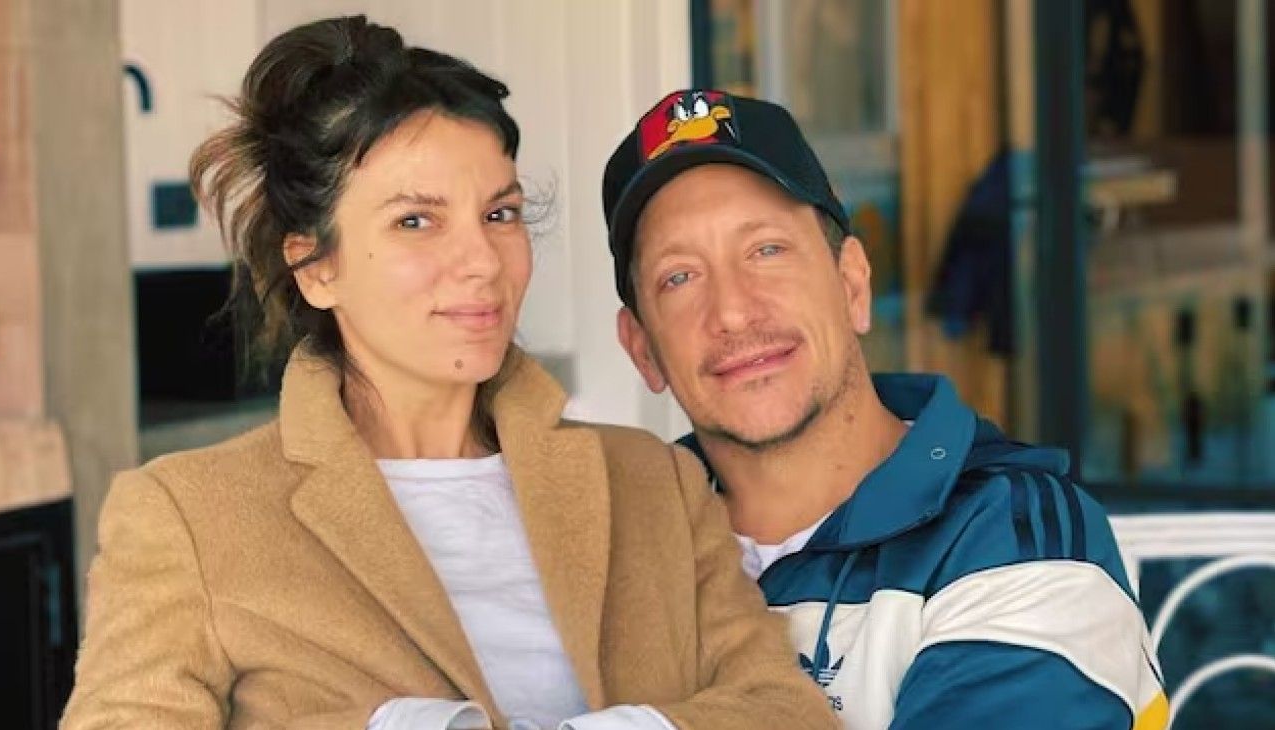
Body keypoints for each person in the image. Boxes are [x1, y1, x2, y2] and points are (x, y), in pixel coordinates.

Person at [60, 26, 837, 730]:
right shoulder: (190, 518)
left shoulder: (654, 483)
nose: (481, 262)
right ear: (316, 266)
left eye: (499, 214)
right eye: (416, 221)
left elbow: (785, 713)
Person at [602, 89, 1168, 730]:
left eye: (767, 250)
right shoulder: (612, 546)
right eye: (679, 277)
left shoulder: (1017, 539)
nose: (732, 311)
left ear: (852, 284)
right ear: (643, 349)